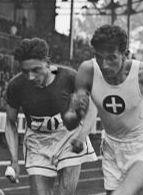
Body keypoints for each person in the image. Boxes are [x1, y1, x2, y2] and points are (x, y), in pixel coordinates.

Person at [63, 24, 143, 195]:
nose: (104, 65)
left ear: (125, 54)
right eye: (99, 57)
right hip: (112, 148)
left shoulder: (142, 73)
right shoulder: (87, 71)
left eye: (111, 58)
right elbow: (71, 121)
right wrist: (75, 115)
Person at [5, 37, 98, 195]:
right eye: (25, 71)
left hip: (68, 136)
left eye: (36, 70)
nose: (30, 77)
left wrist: (82, 136)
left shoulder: (69, 77)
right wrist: (14, 160)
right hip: (37, 141)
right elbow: (10, 122)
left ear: (47, 63)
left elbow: (92, 107)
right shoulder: (16, 86)